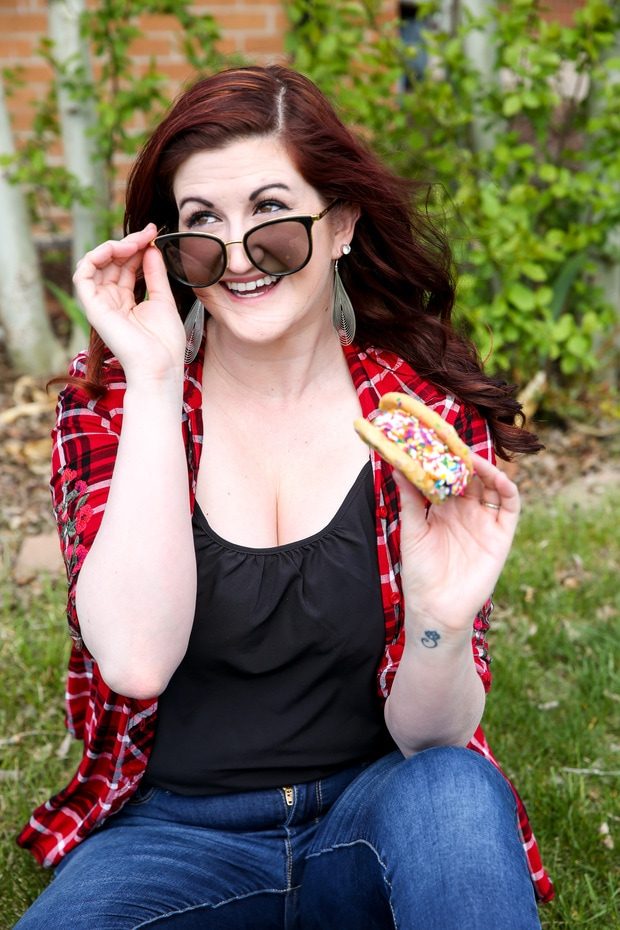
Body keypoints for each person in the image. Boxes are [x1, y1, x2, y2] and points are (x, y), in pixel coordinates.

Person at [15, 65, 553, 929]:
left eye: (272, 213)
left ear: (339, 226)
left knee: (456, 790)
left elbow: (429, 741)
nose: (237, 256)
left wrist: (443, 622)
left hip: (375, 815)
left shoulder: (420, 424)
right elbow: (135, 662)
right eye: (201, 227)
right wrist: (153, 379)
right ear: (168, 255)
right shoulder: (113, 411)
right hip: (177, 835)